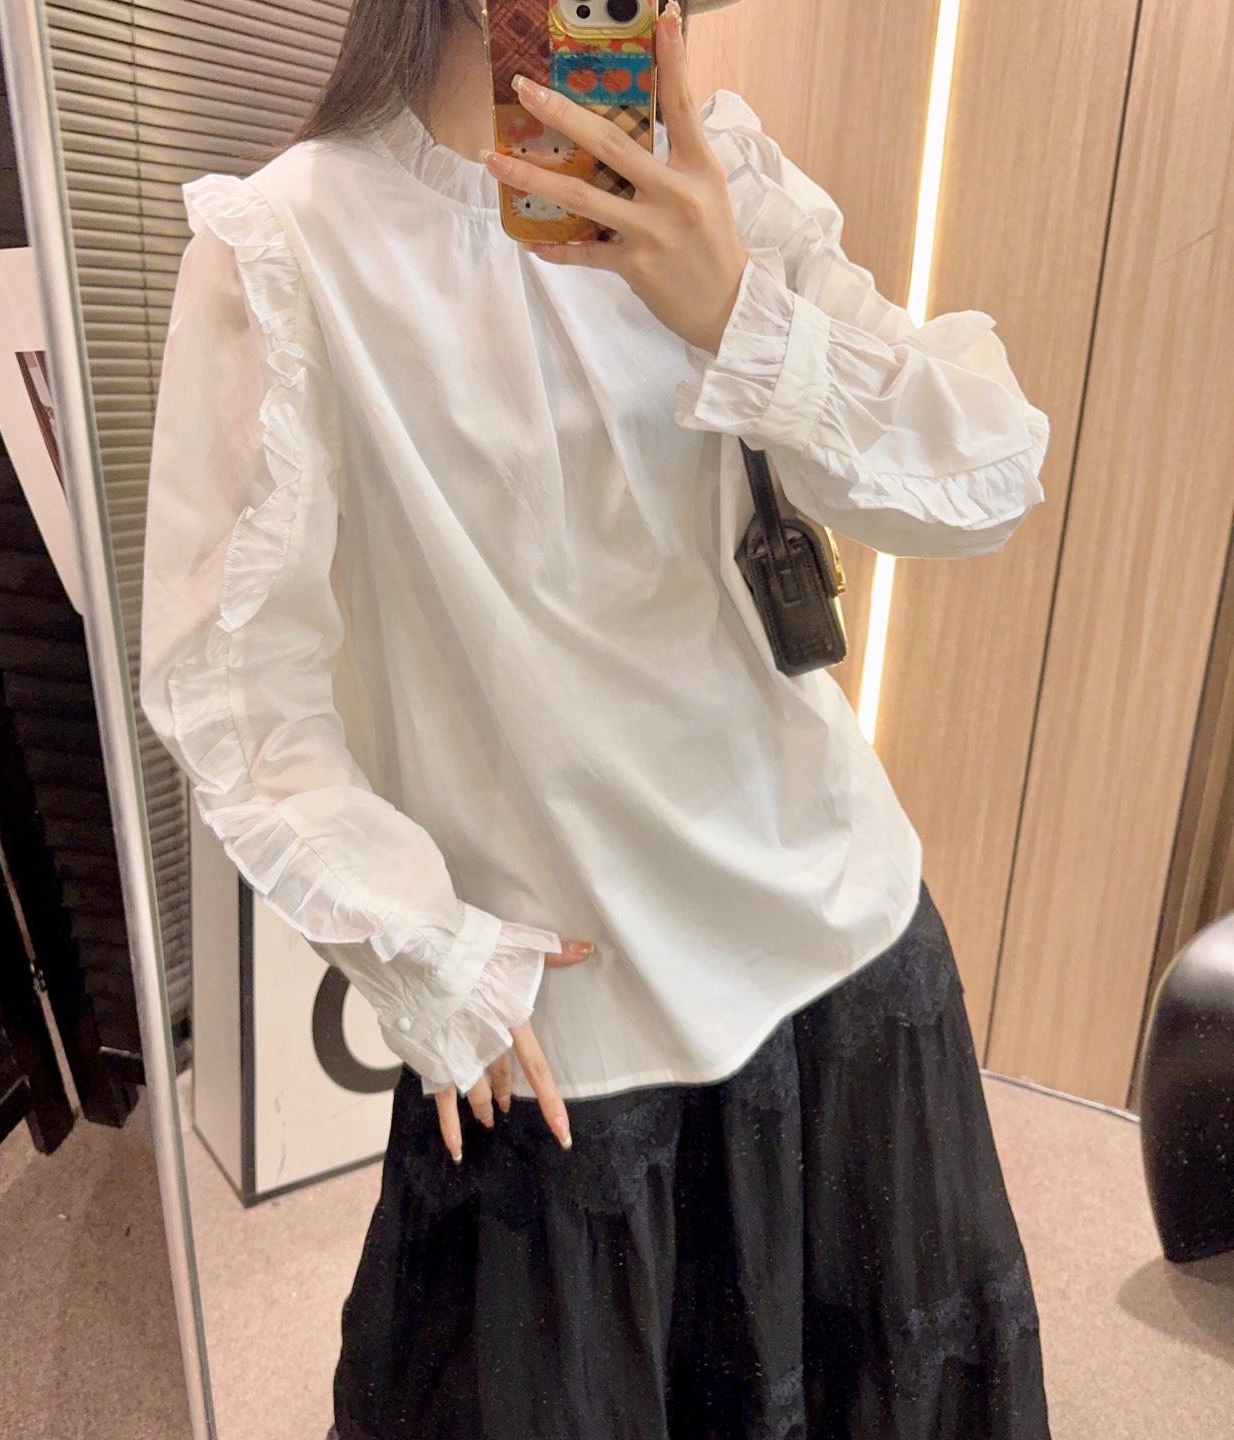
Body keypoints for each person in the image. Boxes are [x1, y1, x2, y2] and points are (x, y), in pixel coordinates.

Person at [141, 1, 1053, 1436]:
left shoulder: (718, 175)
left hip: (848, 964)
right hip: (571, 1042)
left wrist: (739, 311)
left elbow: (987, 472)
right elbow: (234, 680)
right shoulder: (289, 244)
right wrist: (423, 950)